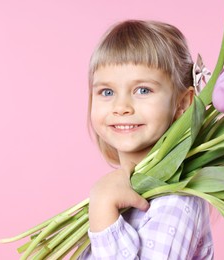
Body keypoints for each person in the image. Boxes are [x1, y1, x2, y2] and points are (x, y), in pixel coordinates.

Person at [79, 20, 214, 259]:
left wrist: (102, 211)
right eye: (107, 92)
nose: (121, 107)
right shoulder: (116, 189)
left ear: (183, 103)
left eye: (142, 90)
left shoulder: (177, 200)